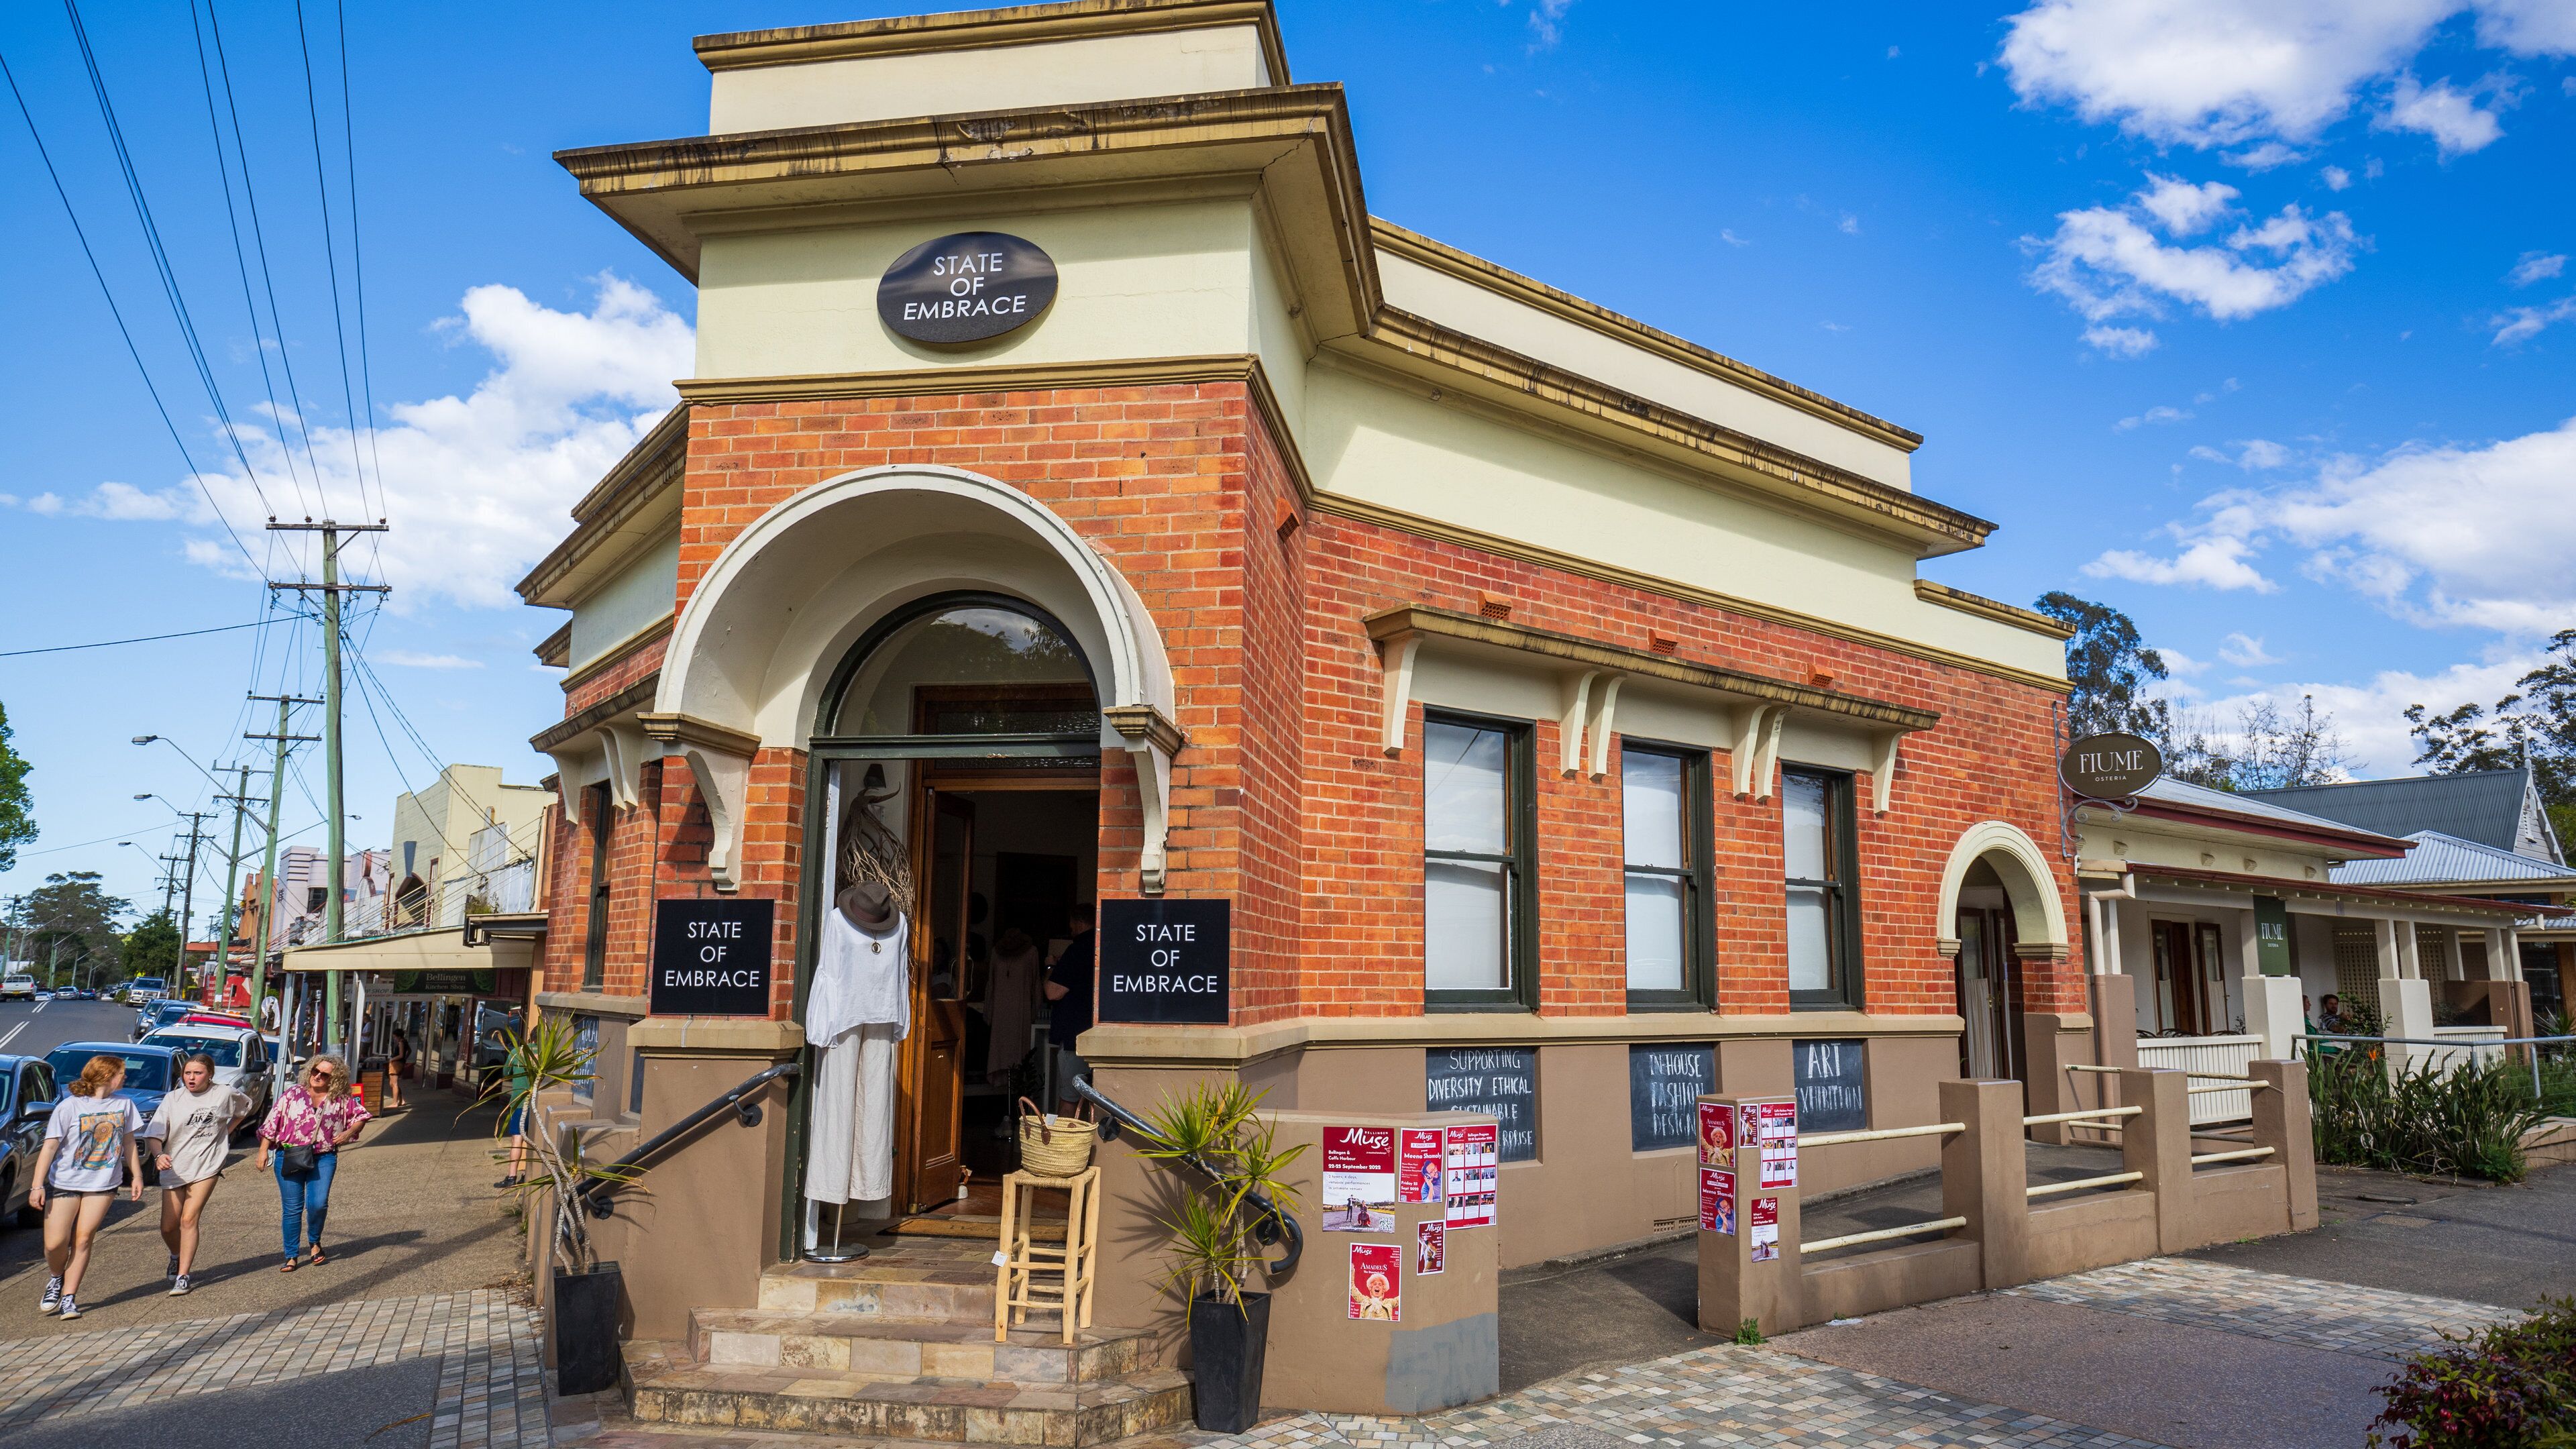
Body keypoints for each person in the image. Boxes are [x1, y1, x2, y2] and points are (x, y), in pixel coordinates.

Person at [29, 1054, 147, 1319]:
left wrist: (136, 1176)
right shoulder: (69, 1107)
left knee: (83, 1239)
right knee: (54, 1244)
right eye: (121, 1073)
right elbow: (49, 1148)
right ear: (106, 1076)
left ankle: (70, 1298)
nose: (124, 1077)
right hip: (65, 1182)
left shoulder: (125, 1104)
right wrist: (37, 1185)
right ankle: (56, 1277)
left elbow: (128, 1143)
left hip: (103, 1183)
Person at [259, 1053, 373, 1271]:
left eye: (324, 1074)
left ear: (334, 1078)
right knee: (292, 1208)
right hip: (290, 1155)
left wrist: (349, 1133)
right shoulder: (293, 1094)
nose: (318, 1076)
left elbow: (361, 1116)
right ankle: (291, 1255)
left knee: (318, 1204)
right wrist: (263, 1151)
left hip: (324, 1156)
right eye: (315, 1071)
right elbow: (272, 1122)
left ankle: (314, 1241)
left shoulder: (339, 1098)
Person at [150, 1052, 252, 1295]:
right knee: (168, 1227)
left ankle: (183, 1276)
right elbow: (154, 1134)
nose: (192, 1078)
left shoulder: (224, 1093)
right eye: (187, 1073)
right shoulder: (173, 1099)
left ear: (210, 1075)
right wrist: (158, 1155)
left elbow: (244, 1108)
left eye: (198, 1073)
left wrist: (225, 1133)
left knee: (188, 1219)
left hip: (207, 1165)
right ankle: (176, 1255)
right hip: (176, 1166)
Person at [1042, 905, 1097, 1108]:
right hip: (1098, 1034)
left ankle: (1066, 1140)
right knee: (1097, 1101)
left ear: (1080, 923)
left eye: (1072, 925)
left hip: (1075, 1036)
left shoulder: (1078, 949)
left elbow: (1053, 992)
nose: (1071, 930)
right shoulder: (1103, 945)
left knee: (1070, 1100)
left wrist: (1051, 966)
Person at [386, 1026, 410, 1110]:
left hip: (396, 1064)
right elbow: (409, 1051)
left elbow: (401, 1055)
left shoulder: (401, 1043)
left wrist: (392, 1059)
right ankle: (401, 1100)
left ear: (398, 1036)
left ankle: (395, 1102)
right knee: (392, 1083)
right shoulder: (405, 1042)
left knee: (394, 1083)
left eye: (395, 1037)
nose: (394, 1038)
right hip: (399, 1063)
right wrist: (405, 1059)